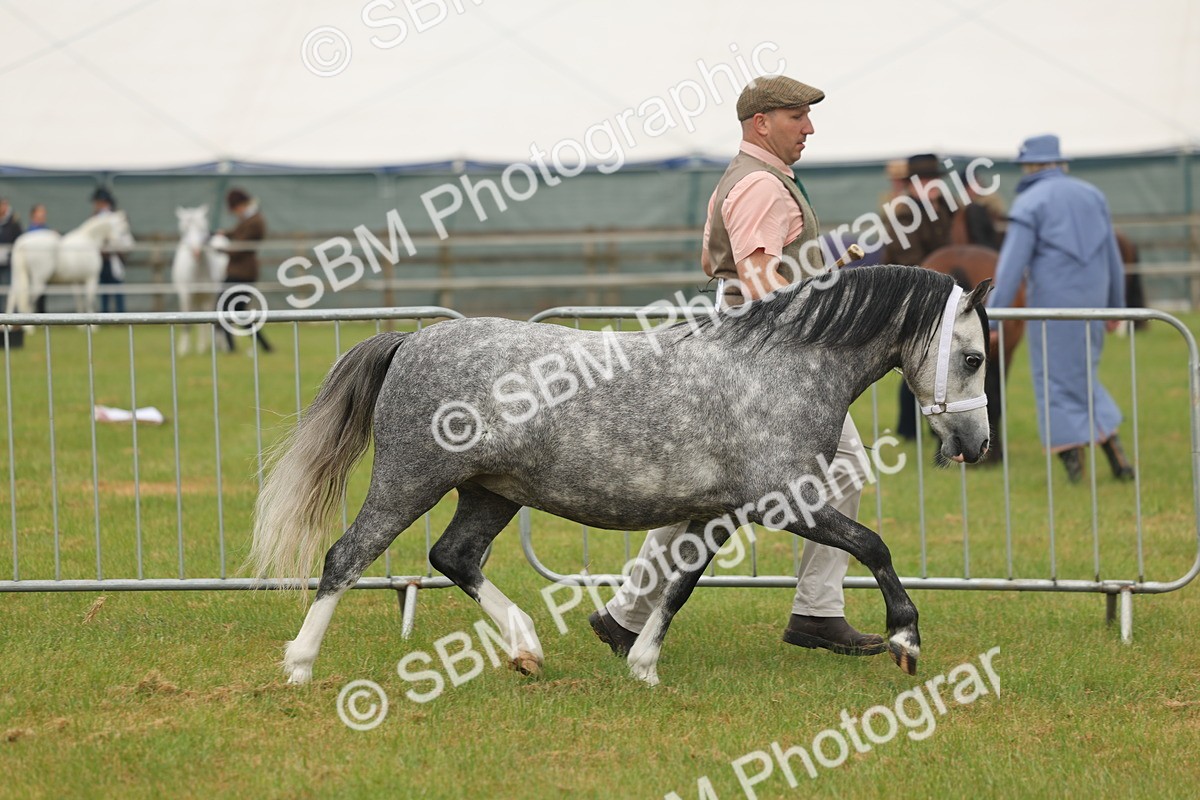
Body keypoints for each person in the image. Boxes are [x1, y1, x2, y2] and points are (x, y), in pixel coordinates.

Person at [589, 75, 886, 659]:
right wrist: (822, 303)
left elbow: (715, 261)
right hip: (763, 353)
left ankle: (626, 616)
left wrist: (814, 275)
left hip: (739, 343)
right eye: (798, 117)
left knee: (700, 488)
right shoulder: (761, 185)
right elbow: (754, 280)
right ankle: (817, 612)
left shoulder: (744, 176)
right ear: (762, 123)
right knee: (844, 465)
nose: (809, 128)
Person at [988, 134, 1134, 482]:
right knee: (1083, 375)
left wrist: (992, 315)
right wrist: (1116, 306)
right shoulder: (1092, 194)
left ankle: (1074, 467)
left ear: (1030, 165)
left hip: (1052, 304)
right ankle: (1116, 454)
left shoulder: (1029, 203)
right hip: (1094, 301)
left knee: (1053, 381)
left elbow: (1011, 266)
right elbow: (1112, 256)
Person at [218, 188, 271, 353]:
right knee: (238, 312)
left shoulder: (255, 221)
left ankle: (230, 348)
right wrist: (223, 233)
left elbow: (242, 245)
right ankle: (264, 346)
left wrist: (220, 249)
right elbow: (237, 232)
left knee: (223, 309)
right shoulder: (249, 219)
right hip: (239, 271)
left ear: (240, 205)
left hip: (241, 272)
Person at [91, 187, 128, 313]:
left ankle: (121, 314)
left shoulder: (116, 217)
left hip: (115, 257)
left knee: (117, 288)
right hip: (101, 258)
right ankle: (104, 315)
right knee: (103, 290)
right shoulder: (95, 218)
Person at [0, 198, 23, 289]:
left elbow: (19, 239)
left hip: (8, 263)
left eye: (4, 205)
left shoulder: (14, 223)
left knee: (6, 287)